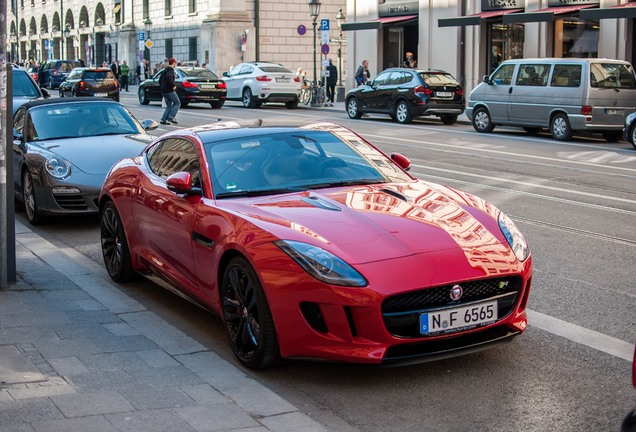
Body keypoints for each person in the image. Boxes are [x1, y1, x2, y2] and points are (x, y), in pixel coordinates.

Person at [159, 57, 180, 125]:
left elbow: (160, 81)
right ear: (173, 63)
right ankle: (171, 117)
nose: (175, 64)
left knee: (169, 105)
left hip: (164, 91)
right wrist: (173, 85)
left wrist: (163, 87)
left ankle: (163, 119)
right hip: (169, 90)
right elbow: (169, 77)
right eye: (175, 63)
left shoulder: (164, 70)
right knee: (177, 103)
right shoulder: (170, 70)